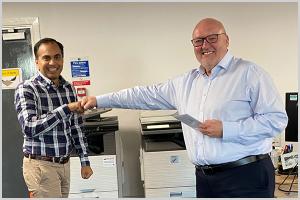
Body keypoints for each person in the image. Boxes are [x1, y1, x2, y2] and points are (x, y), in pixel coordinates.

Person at [81, 18, 288, 198]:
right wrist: (99, 100)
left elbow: (276, 120)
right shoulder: (186, 82)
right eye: (198, 41)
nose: (204, 45)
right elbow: (143, 94)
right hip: (205, 179)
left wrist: (227, 129)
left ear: (227, 40)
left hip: (246, 177)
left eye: (212, 38)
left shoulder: (250, 74)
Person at [14, 38, 93, 198]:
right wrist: (66, 109)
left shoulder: (68, 88)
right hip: (41, 165)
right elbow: (30, 128)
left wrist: (85, 161)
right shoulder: (27, 89)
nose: (53, 62)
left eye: (57, 57)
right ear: (37, 62)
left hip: (64, 164)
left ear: (62, 59)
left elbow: (75, 127)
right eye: (46, 58)